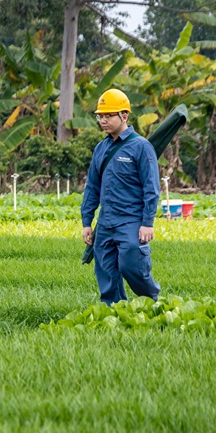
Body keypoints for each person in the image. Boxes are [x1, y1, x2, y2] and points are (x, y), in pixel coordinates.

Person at [81, 88, 161, 305]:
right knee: (106, 272)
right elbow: (92, 188)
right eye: (100, 116)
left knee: (131, 266)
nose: (103, 121)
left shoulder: (141, 147)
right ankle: (114, 311)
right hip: (106, 223)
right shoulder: (101, 148)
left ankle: (152, 302)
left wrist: (147, 223)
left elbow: (151, 188)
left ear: (124, 116)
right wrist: (87, 222)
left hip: (131, 221)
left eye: (108, 116)